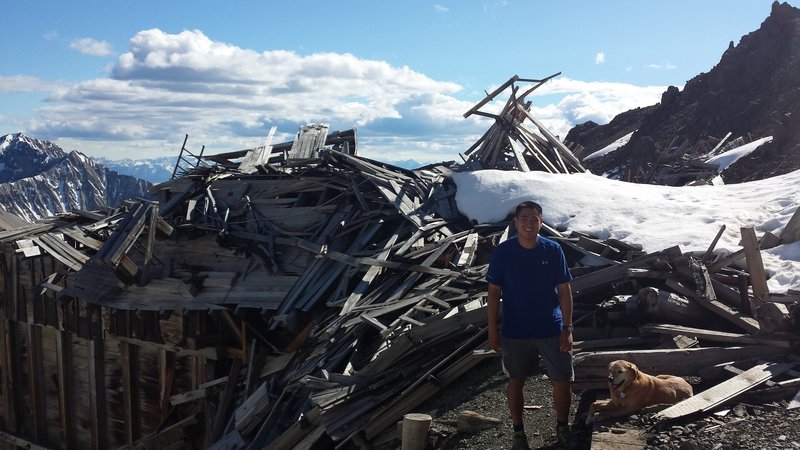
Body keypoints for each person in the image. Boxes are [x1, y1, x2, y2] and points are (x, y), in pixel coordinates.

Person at [486, 200, 574, 450]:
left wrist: (568, 328)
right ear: (515, 222)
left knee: (562, 380)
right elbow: (493, 292)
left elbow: (565, 290)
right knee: (516, 380)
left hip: (551, 327)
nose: (528, 223)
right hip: (515, 330)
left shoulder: (553, 249)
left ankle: (562, 426)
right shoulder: (504, 252)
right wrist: (493, 329)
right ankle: (518, 433)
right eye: (524, 218)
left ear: (541, 222)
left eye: (534, 219)